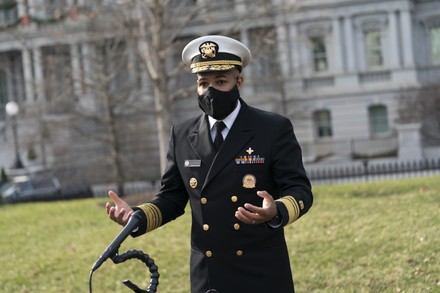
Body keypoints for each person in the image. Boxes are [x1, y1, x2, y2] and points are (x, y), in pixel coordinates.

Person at [106, 35, 313, 293]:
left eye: (221, 82)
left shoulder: (272, 128)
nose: (210, 91)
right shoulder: (181, 134)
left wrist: (276, 211)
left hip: (261, 269)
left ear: (239, 82)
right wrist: (136, 217)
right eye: (203, 83)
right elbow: (172, 198)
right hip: (208, 273)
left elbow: (300, 190)